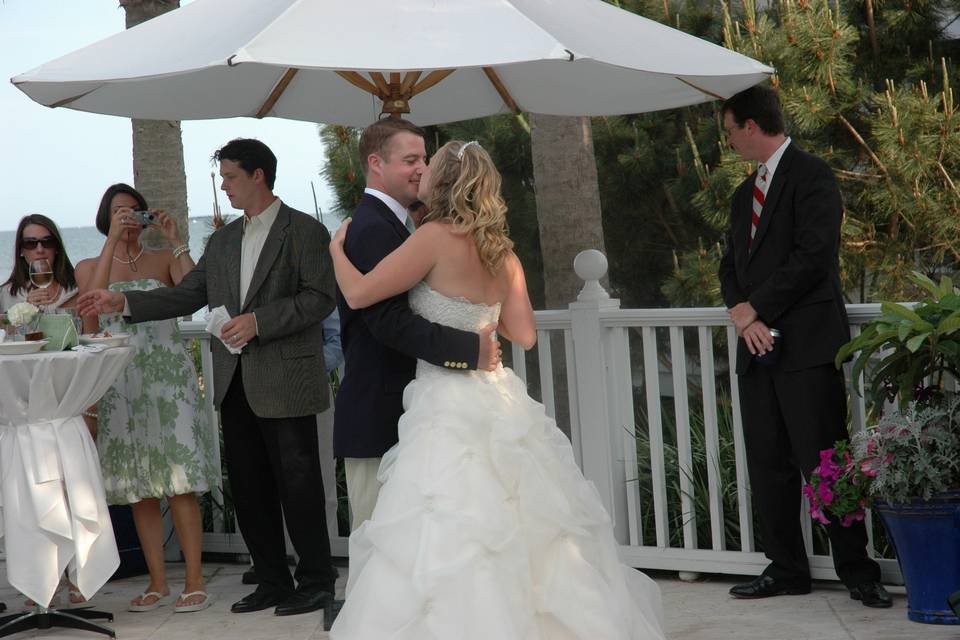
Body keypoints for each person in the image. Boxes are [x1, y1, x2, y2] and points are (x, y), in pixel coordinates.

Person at [327, 140, 666, 639]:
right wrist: (479, 318)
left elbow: (358, 294)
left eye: (430, 168)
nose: (421, 175)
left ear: (443, 182)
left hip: (444, 400)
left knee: (448, 524)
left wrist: (335, 250)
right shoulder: (502, 251)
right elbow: (523, 334)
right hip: (498, 394)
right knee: (522, 521)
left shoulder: (432, 238)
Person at [77, 138, 339, 617]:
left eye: (231, 177)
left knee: (298, 486)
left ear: (258, 175)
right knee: (251, 487)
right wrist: (126, 302)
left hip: (286, 381)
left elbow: (320, 297)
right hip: (234, 382)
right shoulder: (223, 240)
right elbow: (188, 295)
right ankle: (273, 582)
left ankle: (318, 583)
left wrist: (259, 321)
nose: (225, 187)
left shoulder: (304, 230)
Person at [717, 85, 890, 607]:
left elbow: (814, 256)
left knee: (825, 461)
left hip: (808, 345)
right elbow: (729, 267)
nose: (728, 142)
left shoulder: (812, 176)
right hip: (757, 348)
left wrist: (757, 309)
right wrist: (743, 314)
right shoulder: (741, 196)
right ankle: (786, 567)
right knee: (768, 462)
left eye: (729, 131)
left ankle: (857, 570)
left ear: (751, 126)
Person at [333, 119, 500, 532]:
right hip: (379, 411)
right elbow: (388, 322)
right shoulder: (371, 228)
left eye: (424, 159)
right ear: (376, 163)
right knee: (380, 543)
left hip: (418, 410)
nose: (423, 169)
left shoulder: (407, 225)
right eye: (411, 160)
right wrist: (468, 350)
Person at [74, 183, 218, 614]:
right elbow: (90, 312)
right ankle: (157, 580)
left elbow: (195, 293)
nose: (129, 218)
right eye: (119, 212)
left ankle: (194, 579)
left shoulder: (160, 259)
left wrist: (177, 241)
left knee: (180, 485)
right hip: (121, 381)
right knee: (139, 488)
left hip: (167, 377)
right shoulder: (90, 265)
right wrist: (113, 240)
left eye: (135, 212)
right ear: (106, 217)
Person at [1, 214, 77, 312]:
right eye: (30, 243)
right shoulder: (8, 294)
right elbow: (6, 326)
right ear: (21, 251)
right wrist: (27, 309)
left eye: (47, 242)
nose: (40, 250)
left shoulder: (76, 288)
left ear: (57, 247)